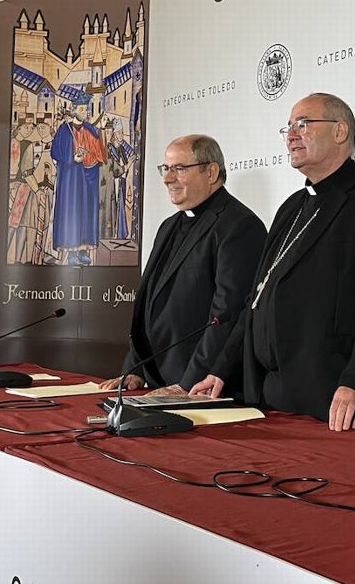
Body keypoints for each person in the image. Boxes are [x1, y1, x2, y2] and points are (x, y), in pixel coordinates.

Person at [190, 94, 355, 432]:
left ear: (340, 131)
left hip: (336, 399)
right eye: (289, 127)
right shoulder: (290, 208)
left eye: (303, 124)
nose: (291, 135)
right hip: (269, 397)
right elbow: (255, 302)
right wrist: (221, 369)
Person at [99, 135, 265, 393]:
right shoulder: (169, 226)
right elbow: (148, 306)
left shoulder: (239, 226)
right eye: (166, 169)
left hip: (203, 388)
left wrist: (190, 383)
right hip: (158, 384)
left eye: (179, 169)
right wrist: (136, 370)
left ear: (210, 172)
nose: (167, 178)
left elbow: (228, 316)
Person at [51, 102, 106, 266]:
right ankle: (72, 252)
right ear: (74, 110)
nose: (85, 111)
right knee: (72, 212)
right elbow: (55, 151)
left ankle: (83, 251)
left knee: (86, 212)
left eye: (86, 108)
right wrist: (71, 158)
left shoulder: (90, 129)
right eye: (82, 109)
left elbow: (100, 152)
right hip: (71, 179)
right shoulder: (64, 130)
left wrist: (101, 130)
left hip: (88, 178)